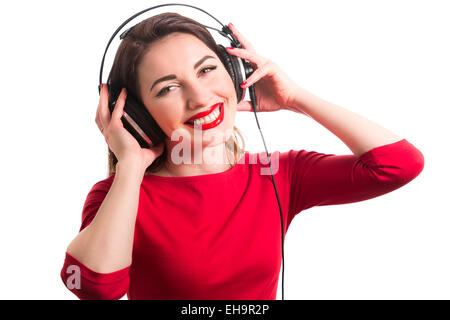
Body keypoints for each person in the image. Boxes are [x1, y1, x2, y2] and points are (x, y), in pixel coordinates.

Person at [60, 12, 424, 300]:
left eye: (206, 70)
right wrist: (130, 167)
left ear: (235, 74)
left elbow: (398, 165)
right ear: (136, 115)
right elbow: (93, 288)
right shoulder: (120, 196)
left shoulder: (278, 175)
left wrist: (295, 99)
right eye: (169, 87)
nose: (200, 98)